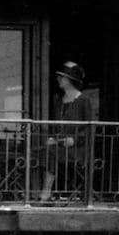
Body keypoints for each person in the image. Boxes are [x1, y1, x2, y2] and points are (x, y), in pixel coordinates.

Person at [40, 61, 93, 201]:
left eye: (62, 77)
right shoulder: (58, 101)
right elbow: (55, 126)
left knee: (50, 152)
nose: (58, 79)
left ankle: (45, 192)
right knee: (35, 151)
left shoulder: (84, 101)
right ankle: (33, 192)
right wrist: (52, 137)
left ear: (71, 80)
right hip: (60, 146)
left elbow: (90, 128)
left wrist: (75, 139)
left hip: (78, 150)